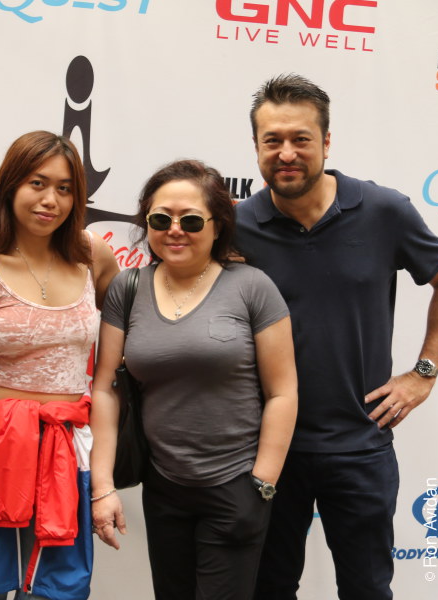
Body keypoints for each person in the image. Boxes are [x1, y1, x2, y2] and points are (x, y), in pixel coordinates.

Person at [235, 74, 438, 600]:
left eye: (301, 139)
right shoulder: (237, 225)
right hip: (267, 448)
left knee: (367, 589)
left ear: (327, 142)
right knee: (267, 590)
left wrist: (424, 374)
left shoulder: (384, 211)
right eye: (272, 140)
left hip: (361, 446)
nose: (287, 153)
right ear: (256, 146)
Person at [0, 131, 119, 600]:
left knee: (53, 590)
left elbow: (134, 321)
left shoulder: (93, 255)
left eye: (65, 188)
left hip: (65, 453)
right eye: (37, 183)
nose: (51, 200)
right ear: (10, 185)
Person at [89, 159, 298, 600]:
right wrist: (102, 485)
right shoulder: (128, 289)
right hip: (163, 487)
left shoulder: (252, 287)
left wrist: (262, 482)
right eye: (160, 219)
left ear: (218, 225)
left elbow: (282, 391)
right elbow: (106, 388)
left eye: (191, 220)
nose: (175, 230)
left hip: (236, 485)